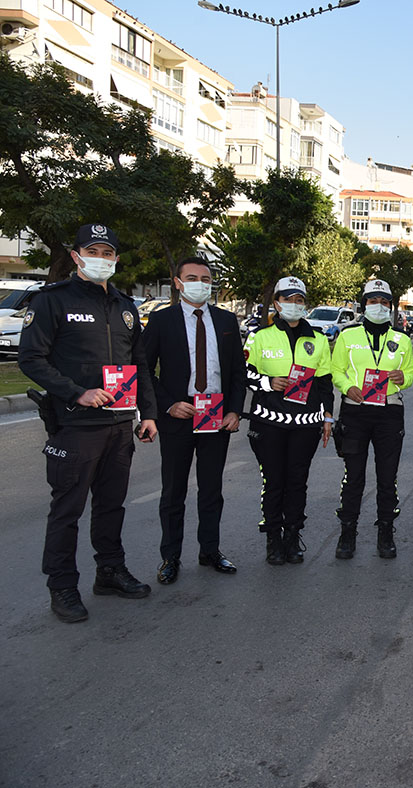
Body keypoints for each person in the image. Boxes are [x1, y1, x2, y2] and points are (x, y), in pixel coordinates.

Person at [18, 223, 158, 623]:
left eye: (109, 252)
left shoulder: (125, 306)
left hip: (119, 424)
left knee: (112, 505)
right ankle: (62, 585)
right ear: (77, 255)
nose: (102, 258)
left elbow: (141, 365)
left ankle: (110, 571)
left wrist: (147, 413)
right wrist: (75, 391)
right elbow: (31, 358)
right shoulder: (51, 301)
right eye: (94, 251)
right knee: (67, 509)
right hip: (76, 425)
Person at [143, 257, 247, 584]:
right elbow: (144, 370)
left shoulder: (227, 320)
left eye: (205, 278)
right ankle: (170, 557)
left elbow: (236, 373)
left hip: (215, 413)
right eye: (192, 277)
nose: (199, 283)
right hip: (179, 413)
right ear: (177, 282)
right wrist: (168, 405)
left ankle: (210, 550)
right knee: (173, 491)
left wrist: (234, 410)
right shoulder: (161, 321)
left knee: (211, 488)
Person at [242, 276, 333, 565]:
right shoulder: (260, 336)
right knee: (274, 481)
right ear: (277, 301)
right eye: (288, 298)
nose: (293, 304)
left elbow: (325, 383)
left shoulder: (318, 340)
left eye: (299, 299)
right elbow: (244, 373)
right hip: (269, 423)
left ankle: (293, 536)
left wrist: (328, 417)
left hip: (306, 425)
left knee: (297, 481)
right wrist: (269, 383)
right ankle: (272, 538)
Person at [329, 279, 413, 560]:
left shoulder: (402, 339)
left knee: (387, 477)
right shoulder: (347, 336)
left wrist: (404, 378)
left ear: (391, 305)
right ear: (363, 304)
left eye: (384, 301)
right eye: (373, 301)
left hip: (389, 413)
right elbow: (336, 370)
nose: (379, 306)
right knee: (353, 476)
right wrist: (346, 387)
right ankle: (347, 531)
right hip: (355, 410)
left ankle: (386, 531)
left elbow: (410, 373)